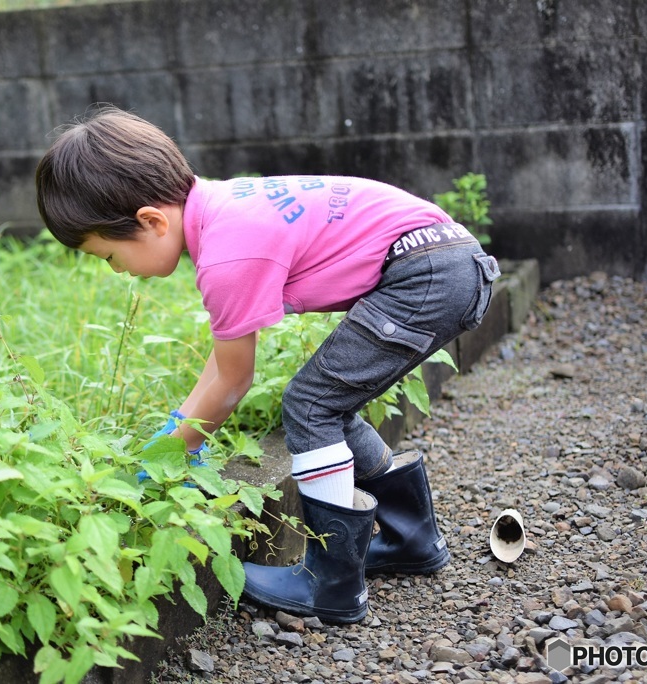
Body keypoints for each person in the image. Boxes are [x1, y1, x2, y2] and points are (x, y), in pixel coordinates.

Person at [35, 105, 500, 624]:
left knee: (311, 405)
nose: (119, 272)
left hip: (427, 275)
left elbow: (234, 381)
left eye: (109, 256)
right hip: (444, 260)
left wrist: (160, 466)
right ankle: (409, 534)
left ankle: (330, 584)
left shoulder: (227, 256)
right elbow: (222, 364)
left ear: (150, 221)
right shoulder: (222, 208)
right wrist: (174, 436)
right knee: (331, 408)